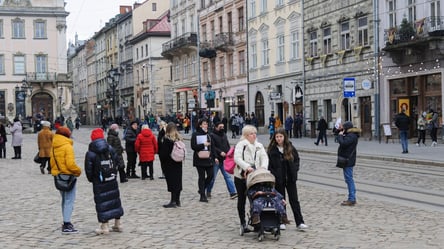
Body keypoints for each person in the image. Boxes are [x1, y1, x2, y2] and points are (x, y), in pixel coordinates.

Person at [85, 128, 124, 235]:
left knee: (102, 202)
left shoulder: (91, 152)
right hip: (111, 178)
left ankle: (104, 226)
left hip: (99, 181)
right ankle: (118, 224)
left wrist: (93, 179)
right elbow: (116, 161)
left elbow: (89, 170)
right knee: (114, 200)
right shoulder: (110, 148)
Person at [268, 128, 308, 230]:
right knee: (281, 200)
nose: (279, 139)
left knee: (294, 200)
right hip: (278, 179)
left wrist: (294, 170)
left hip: (290, 178)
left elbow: (297, 159)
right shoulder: (272, 149)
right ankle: (282, 221)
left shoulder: (290, 147)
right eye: (277, 137)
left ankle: (299, 222)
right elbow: (269, 164)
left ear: (284, 137)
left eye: (280, 136)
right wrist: (274, 174)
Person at [233, 125, 269, 232]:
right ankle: (243, 222)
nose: (254, 135)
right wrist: (247, 167)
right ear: (246, 135)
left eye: (255, 133)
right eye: (251, 133)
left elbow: (264, 157)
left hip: (256, 177)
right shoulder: (241, 145)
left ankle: (256, 221)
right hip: (241, 176)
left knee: (256, 198)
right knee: (242, 199)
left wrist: (263, 168)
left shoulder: (259, 145)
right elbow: (237, 158)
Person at [50, 127, 82, 234]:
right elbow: (70, 164)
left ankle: (66, 221)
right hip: (68, 176)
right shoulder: (67, 146)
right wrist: (78, 171)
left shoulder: (54, 146)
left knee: (64, 199)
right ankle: (67, 224)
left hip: (58, 176)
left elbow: (52, 163)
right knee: (69, 200)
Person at [207, 121, 237, 199]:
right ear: (216, 127)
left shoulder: (224, 135)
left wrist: (229, 153)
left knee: (227, 176)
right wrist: (219, 153)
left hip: (224, 159)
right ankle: (208, 191)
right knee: (213, 177)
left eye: (223, 127)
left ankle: (232, 192)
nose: (222, 128)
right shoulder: (212, 135)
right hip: (216, 160)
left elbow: (227, 145)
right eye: (220, 127)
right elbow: (213, 147)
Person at [158, 122, 183, 208]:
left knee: (172, 182)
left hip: (169, 164)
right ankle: (178, 200)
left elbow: (163, 154)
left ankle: (173, 201)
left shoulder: (167, 139)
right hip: (178, 163)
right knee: (178, 182)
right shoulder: (178, 138)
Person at [337, 121, 360, 206]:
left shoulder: (351, 136)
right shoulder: (350, 135)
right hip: (347, 159)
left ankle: (352, 198)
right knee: (348, 179)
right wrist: (339, 131)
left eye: (343, 128)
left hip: (348, 160)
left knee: (349, 179)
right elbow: (337, 135)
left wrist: (340, 135)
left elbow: (343, 143)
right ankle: (352, 197)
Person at [191, 119, 213, 202]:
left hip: (208, 158)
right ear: (200, 125)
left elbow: (212, 146)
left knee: (211, 175)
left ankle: (202, 189)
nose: (206, 125)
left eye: (207, 124)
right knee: (202, 177)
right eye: (204, 124)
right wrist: (203, 145)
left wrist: (215, 156)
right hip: (199, 159)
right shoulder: (195, 134)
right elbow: (193, 146)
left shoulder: (209, 134)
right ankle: (202, 196)